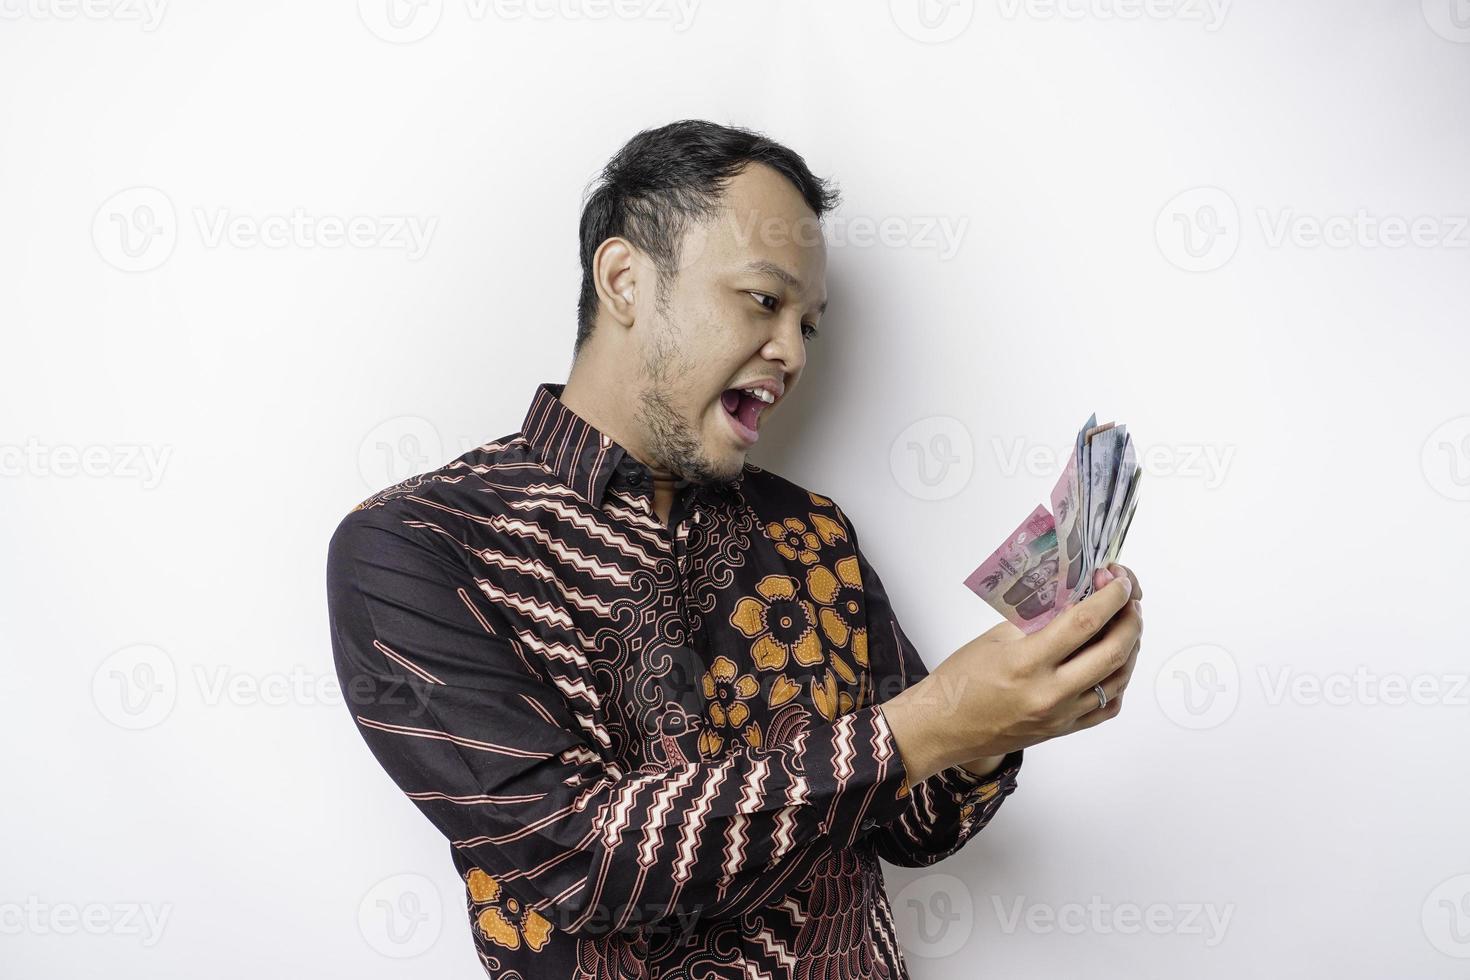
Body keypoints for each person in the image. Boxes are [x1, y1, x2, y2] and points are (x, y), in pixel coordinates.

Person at [325, 118, 1144, 979]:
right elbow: (572, 858)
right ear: (624, 279)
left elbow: (912, 829)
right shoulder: (417, 546)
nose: (791, 352)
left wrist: (1004, 717)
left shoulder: (813, 532)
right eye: (763, 300)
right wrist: (933, 721)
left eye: (809, 325)